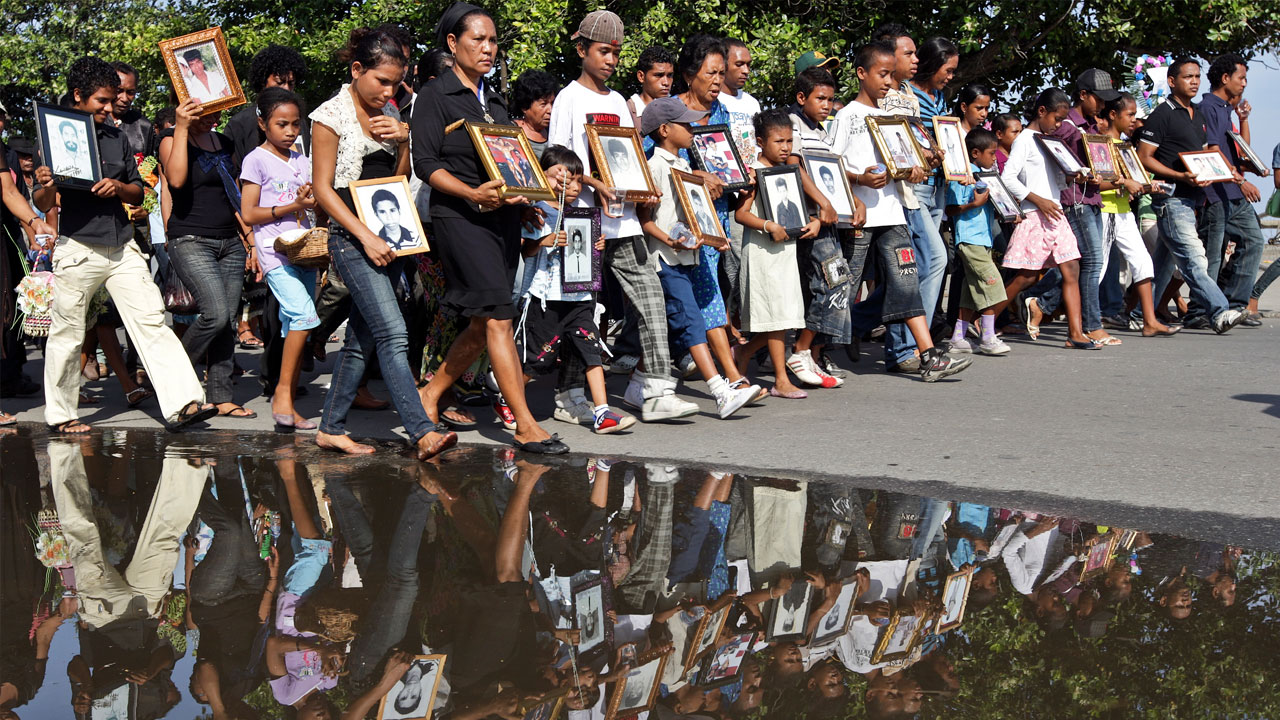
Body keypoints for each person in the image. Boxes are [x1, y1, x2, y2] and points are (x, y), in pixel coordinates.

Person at [413, 6, 564, 454]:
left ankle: (430, 392)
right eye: (478, 39)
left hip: (501, 220)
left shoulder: (494, 99)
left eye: (493, 41)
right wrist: (472, 194)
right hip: (460, 218)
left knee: (482, 323)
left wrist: (523, 203)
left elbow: (508, 162)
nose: (487, 48)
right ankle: (524, 424)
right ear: (452, 44)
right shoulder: (435, 96)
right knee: (499, 316)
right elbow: (426, 164)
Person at [33, 57, 212, 432]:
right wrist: (47, 183)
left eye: (112, 99)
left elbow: (138, 191)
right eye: (101, 100)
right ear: (79, 96)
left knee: (151, 321)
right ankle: (62, 416)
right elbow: (44, 202)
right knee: (67, 332)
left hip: (123, 245)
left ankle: (184, 404)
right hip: (78, 247)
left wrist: (118, 188)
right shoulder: (51, 135)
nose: (109, 107)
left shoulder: (117, 135)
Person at [313, 27, 458, 460]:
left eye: (396, 82)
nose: (389, 90)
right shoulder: (328, 116)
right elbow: (322, 190)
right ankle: (421, 431)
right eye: (382, 80)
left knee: (362, 338)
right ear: (357, 70)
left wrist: (404, 141)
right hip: (351, 239)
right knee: (393, 333)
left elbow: (396, 181)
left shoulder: (391, 111)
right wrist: (365, 237)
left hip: (388, 240)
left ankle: (330, 428)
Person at [547, 9, 698, 421]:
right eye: (602, 51)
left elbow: (627, 157)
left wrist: (639, 187)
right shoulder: (568, 98)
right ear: (581, 50)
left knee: (650, 299)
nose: (611, 60)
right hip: (582, 220)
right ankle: (569, 394)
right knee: (584, 310)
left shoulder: (616, 101)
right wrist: (595, 184)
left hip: (625, 219)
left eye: (616, 52)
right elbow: (558, 162)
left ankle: (653, 389)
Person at [834, 40, 971, 381]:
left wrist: (915, 165)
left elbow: (904, 161)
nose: (886, 81)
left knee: (906, 281)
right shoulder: (847, 116)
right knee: (844, 287)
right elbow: (831, 165)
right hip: (860, 217)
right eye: (881, 74)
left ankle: (927, 355)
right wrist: (857, 179)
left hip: (894, 213)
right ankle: (811, 351)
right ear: (861, 74)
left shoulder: (889, 118)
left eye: (890, 75)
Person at [639, 95, 759, 418]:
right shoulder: (654, 167)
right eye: (685, 123)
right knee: (691, 322)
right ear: (665, 129)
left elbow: (695, 215)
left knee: (665, 326)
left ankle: (638, 385)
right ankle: (721, 392)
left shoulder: (683, 166)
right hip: (667, 261)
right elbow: (645, 219)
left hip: (688, 259)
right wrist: (669, 241)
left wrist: (712, 239)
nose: (693, 127)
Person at [515, 144, 637, 434]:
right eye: (562, 178)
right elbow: (523, 250)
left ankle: (603, 412)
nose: (571, 185)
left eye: (578, 180)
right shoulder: (535, 212)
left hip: (580, 296)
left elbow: (586, 259)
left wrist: (598, 247)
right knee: (537, 360)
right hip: (547, 298)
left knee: (591, 351)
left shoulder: (581, 214)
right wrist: (543, 242)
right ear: (543, 176)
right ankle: (508, 398)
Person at [159, 95, 256, 419]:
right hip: (190, 240)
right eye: (204, 112)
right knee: (213, 314)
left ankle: (221, 396)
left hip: (230, 241)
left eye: (216, 111)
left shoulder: (224, 142)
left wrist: (250, 241)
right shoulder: (170, 139)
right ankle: (174, 381)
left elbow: (233, 195)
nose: (213, 117)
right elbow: (175, 180)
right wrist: (182, 128)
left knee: (227, 320)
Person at [1138, 57, 1245, 334]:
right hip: (1171, 200)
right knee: (1195, 260)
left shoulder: (1197, 114)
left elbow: (1205, 154)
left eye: (1197, 76)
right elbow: (1144, 158)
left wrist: (1225, 170)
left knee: (1163, 263)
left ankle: (1139, 313)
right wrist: (1179, 176)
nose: (1195, 81)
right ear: (1172, 81)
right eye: (1188, 77)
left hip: (1192, 199)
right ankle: (1220, 311)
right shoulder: (1163, 114)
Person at [239, 87, 323, 431]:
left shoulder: (302, 160)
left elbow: (312, 201)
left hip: (305, 251)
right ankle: (283, 394)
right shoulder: (255, 160)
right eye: (282, 124)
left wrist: (310, 199)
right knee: (304, 317)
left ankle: (283, 397)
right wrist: (293, 205)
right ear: (263, 123)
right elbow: (248, 212)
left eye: (295, 124)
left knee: (293, 324)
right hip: (275, 253)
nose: (291, 131)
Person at [1022, 68, 1120, 347]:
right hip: (1074, 200)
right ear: (1083, 95)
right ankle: (1090, 325)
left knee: (1080, 263)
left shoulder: (1091, 127)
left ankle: (1040, 303)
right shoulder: (1066, 125)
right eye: (1098, 99)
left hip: (1092, 198)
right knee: (1091, 262)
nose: (1102, 106)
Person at [999, 87, 1096, 349]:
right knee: (1026, 277)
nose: (1058, 124)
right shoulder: (1025, 140)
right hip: (1035, 214)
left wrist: (1073, 176)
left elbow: (1055, 182)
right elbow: (1008, 178)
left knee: (1072, 268)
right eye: (1056, 118)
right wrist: (1038, 200)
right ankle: (983, 317)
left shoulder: (1047, 140)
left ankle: (1075, 333)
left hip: (1055, 214)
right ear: (1042, 112)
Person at [731, 109, 809, 399]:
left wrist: (809, 224)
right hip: (764, 252)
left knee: (785, 316)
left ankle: (744, 351)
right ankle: (780, 379)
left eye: (789, 141)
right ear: (761, 141)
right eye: (779, 142)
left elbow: (799, 212)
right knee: (776, 317)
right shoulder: (753, 173)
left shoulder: (789, 172)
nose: (786, 148)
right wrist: (768, 225)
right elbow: (741, 214)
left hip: (786, 251)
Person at [1097, 93, 1179, 337]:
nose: (1134, 120)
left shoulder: (1125, 147)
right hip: (1105, 212)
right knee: (1097, 270)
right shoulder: (1099, 144)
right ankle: (1085, 322)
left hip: (1123, 213)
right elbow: (1096, 183)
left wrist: (1145, 186)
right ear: (1113, 115)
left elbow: (1136, 182)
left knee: (1143, 263)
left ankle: (1149, 321)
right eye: (1130, 115)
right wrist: (1125, 184)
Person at [785, 66, 847, 387]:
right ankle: (800, 349)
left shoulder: (821, 130)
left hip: (828, 218)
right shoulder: (793, 125)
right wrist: (822, 202)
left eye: (830, 100)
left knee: (831, 283)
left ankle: (808, 351)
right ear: (801, 97)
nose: (826, 105)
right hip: (809, 218)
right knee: (831, 282)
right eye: (820, 98)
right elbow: (794, 167)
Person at [1200, 52, 1265, 325]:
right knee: (1212, 256)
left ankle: (1236, 305)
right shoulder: (1210, 107)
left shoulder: (1226, 108)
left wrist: (1244, 118)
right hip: (1217, 192)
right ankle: (1202, 310)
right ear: (1225, 78)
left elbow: (1240, 148)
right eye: (1242, 78)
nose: (1245, 84)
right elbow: (1213, 151)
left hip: (1233, 193)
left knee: (1253, 242)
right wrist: (1241, 180)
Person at [944, 128, 1011, 355]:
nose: (994, 158)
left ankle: (958, 337)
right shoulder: (963, 176)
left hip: (982, 240)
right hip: (969, 240)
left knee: (970, 292)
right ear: (975, 152)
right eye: (992, 154)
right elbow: (951, 208)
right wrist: (974, 203)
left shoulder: (983, 176)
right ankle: (988, 337)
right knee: (992, 284)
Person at [224, 44, 310, 163]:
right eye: (279, 82)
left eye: (291, 83)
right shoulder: (239, 125)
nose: (286, 89)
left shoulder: (300, 121)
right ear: (262, 81)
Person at [719, 38, 762, 163]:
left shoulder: (752, 103)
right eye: (739, 64)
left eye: (748, 65)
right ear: (723, 64)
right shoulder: (714, 101)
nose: (746, 71)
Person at [511, 69, 559, 159]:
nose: (550, 110)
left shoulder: (555, 132)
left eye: (552, 103)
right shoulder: (511, 133)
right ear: (525, 106)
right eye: (543, 104)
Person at [627, 45, 675, 122]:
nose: (666, 82)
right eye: (659, 75)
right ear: (641, 76)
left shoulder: (676, 111)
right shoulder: (626, 111)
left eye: (670, 75)